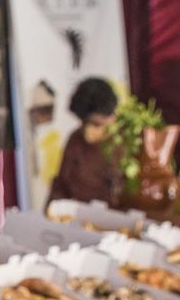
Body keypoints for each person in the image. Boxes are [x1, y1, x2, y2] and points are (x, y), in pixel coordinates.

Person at [48, 76, 123, 209]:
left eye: (96, 124)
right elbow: (60, 188)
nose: (88, 133)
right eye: (84, 123)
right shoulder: (75, 140)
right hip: (78, 220)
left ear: (112, 117)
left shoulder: (126, 142)